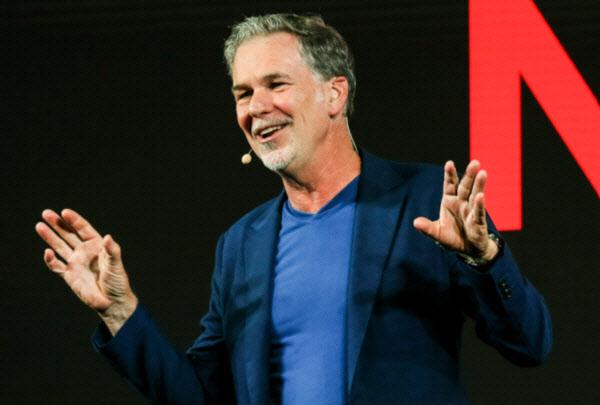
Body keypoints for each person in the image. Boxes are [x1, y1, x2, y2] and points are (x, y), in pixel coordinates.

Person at [35, 13, 552, 405]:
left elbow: (529, 345)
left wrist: (485, 259)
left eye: (276, 84)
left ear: (334, 94)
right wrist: (120, 312)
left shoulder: (424, 199)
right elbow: (201, 396)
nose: (255, 107)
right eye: (243, 93)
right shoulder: (242, 244)